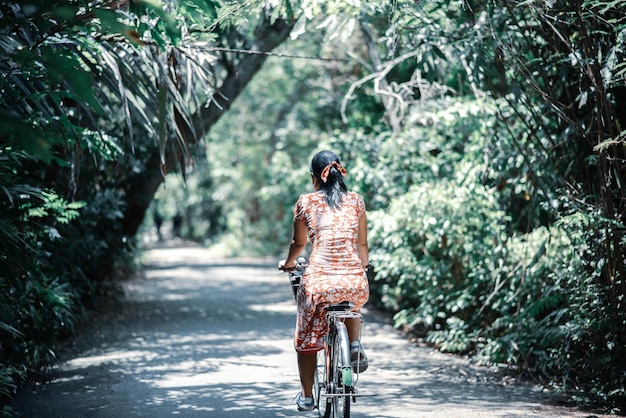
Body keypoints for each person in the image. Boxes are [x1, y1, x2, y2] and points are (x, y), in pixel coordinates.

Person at [279, 150, 370, 412]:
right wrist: (361, 266)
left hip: (318, 282)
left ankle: (307, 397)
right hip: (353, 280)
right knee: (350, 300)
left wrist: (288, 264)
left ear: (314, 178)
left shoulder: (305, 202)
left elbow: (299, 243)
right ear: (340, 172)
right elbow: (362, 244)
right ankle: (353, 344)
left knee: (306, 338)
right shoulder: (356, 201)